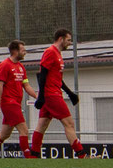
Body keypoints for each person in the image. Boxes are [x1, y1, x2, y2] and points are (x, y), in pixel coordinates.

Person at [33, 28, 89, 158]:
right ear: (61, 39)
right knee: (69, 123)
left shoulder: (58, 54)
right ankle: (81, 154)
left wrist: (70, 93)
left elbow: (57, 78)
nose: (70, 43)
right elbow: (43, 74)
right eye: (68, 40)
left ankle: (33, 155)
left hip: (52, 93)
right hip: (51, 95)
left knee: (42, 125)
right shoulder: (50, 52)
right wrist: (41, 95)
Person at [0, 41, 29, 160]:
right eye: (22, 50)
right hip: (9, 103)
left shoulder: (21, 67)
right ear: (15, 51)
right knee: (24, 130)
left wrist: (38, 97)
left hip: (16, 104)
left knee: (4, 134)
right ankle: (30, 158)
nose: (25, 52)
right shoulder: (4, 65)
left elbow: (26, 86)